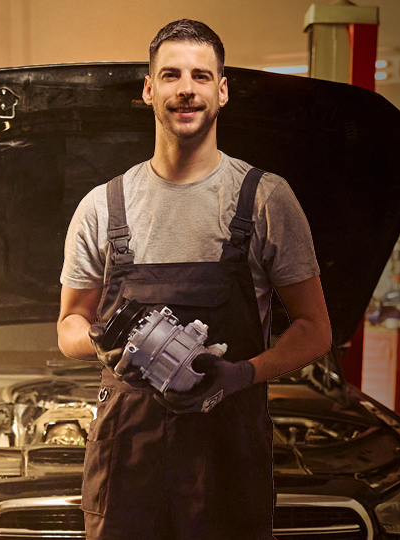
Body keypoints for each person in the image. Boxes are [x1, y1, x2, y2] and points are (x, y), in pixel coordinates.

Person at [57, 19, 332, 540]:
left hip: (228, 456)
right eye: (171, 75)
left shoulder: (266, 199)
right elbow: (70, 321)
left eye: (201, 76)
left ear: (222, 90)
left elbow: (316, 329)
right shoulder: (102, 207)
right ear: (148, 89)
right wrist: (102, 343)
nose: (186, 88)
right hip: (127, 459)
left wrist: (241, 374)